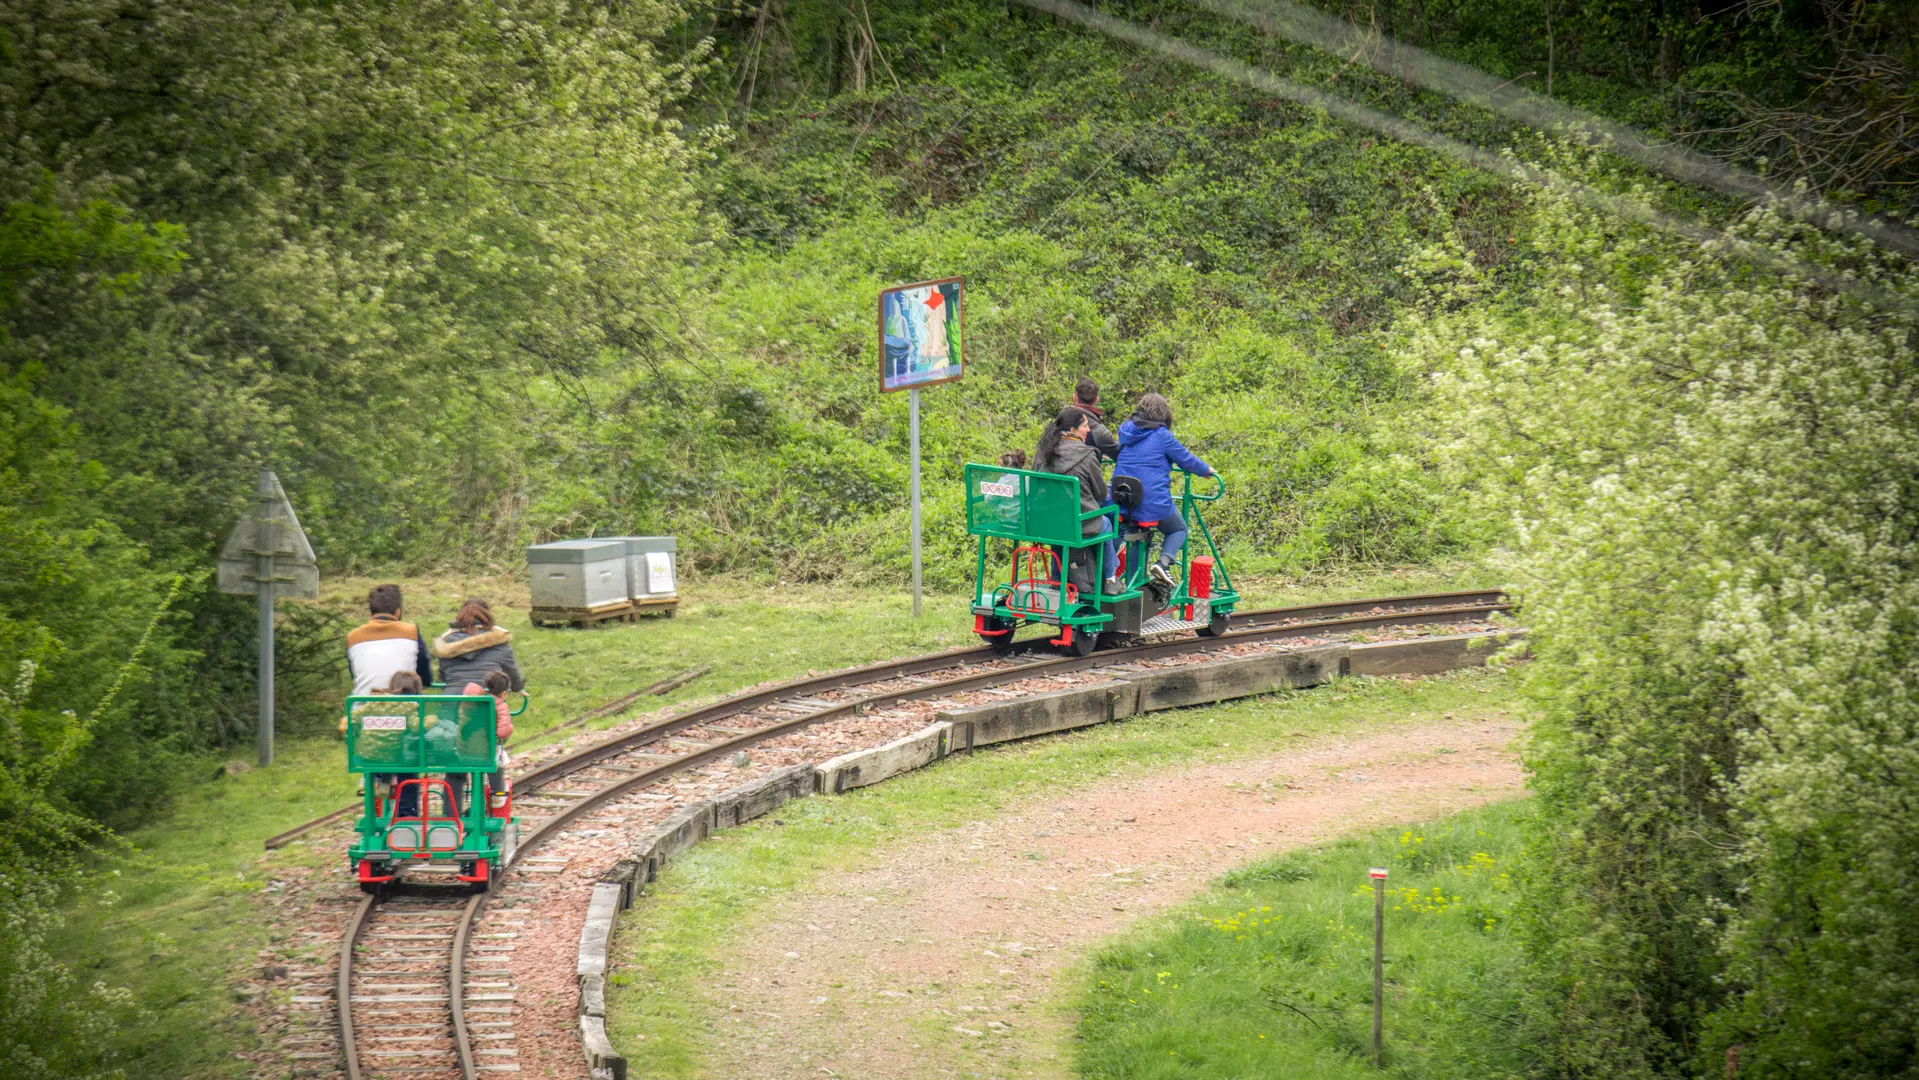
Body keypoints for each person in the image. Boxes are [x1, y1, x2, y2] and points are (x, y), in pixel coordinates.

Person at [1115, 393, 1216, 589]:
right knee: (1179, 529)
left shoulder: (1126, 433)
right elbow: (1186, 459)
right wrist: (1206, 471)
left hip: (1123, 499)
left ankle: (1135, 584)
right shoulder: (1162, 436)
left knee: (1137, 533)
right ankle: (1163, 563)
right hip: (1150, 500)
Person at [1033, 405, 1120, 597]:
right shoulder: (1087, 454)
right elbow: (1099, 493)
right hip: (1080, 523)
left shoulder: (1042, 452)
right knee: (1106, 523)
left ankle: (1058, 579)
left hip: (1046, 522)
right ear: (1072, 430)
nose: (1088, 430)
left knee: (1059, 526)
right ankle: (1110, 577)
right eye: (1085, 426)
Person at [447, 670, 513, 817]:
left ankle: (452, 814)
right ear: (504, 693)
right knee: (498, 759)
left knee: (455, 774)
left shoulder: (470, 699)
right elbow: (503, 732)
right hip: (485, 756)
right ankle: (497, 794)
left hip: (463, 753)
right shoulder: (500, 706)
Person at [346, 584, 433, 696]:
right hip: (404, 706)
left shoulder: (353, 637)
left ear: (371, 611)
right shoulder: (411, 632)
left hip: (361, 707)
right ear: (397, 612)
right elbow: (424, 674)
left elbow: (355, 674)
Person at [433, 599, 526, 693]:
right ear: (488, 615)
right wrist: (518, 688)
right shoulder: (500, 642)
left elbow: (444, 676)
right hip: (487, 701)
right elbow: (513, 675)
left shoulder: (446, 643)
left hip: (452, 700)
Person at [1071, 376, 1120, 461]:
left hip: (1045, 473)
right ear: (1097, 399)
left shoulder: (1056, 423)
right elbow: (1120, 455)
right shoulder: (1099, 432)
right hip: (1082, 473)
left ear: (1074, 397)